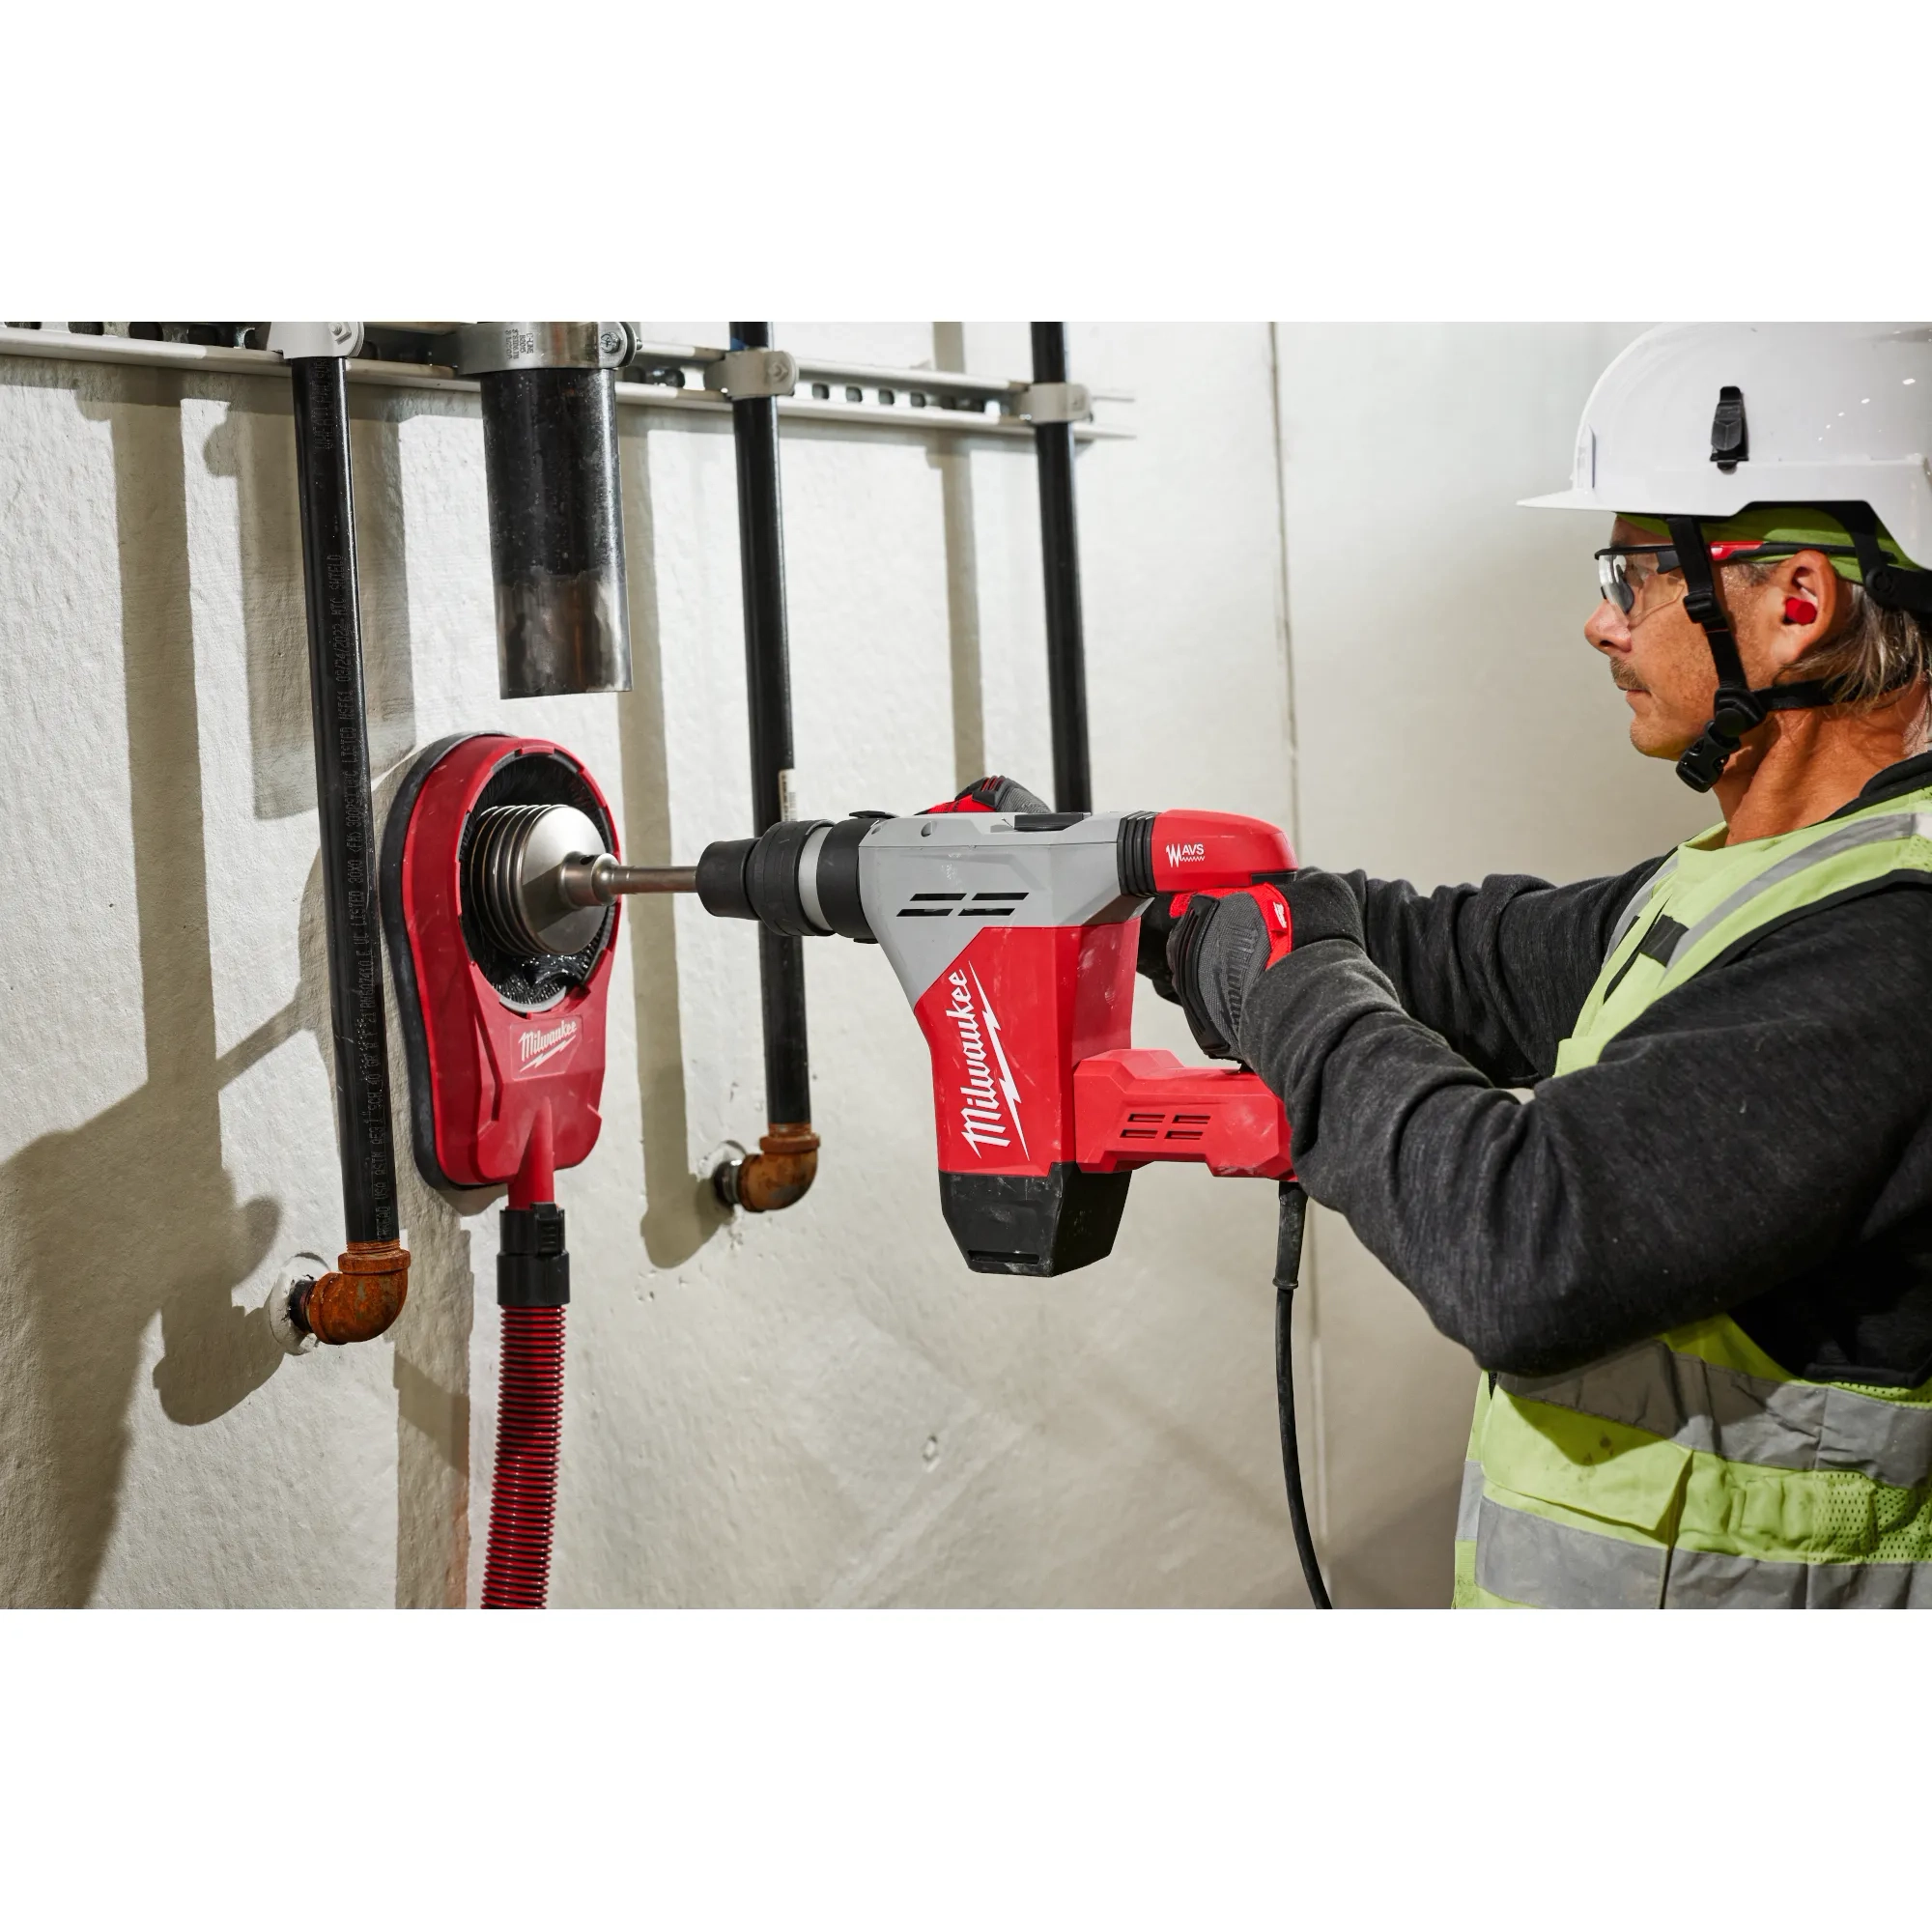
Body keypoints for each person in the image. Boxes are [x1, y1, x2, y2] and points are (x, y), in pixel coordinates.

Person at [1148, 323, 1932, 1608]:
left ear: (1797, 605)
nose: (1599, 622)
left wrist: (1287, 986)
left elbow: (1523, 1243)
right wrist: (1131, 897)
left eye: (1634, 574)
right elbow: (1461, 955)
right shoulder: (1750, 882)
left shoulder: (1890, 945)